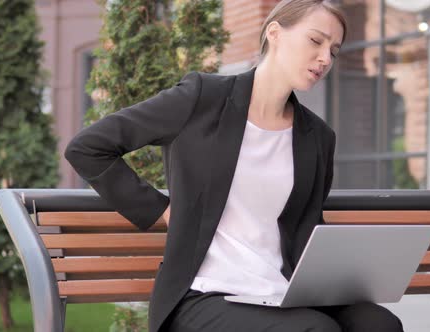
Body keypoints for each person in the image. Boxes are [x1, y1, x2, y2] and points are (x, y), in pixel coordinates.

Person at [65, 0, 404, 331]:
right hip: (205, 293)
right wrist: (162, 210)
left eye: (334, 50)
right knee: (313, 329)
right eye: (315, 40)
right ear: (275, 33)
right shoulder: (202, 98)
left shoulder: (318, 136)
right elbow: (89, 148)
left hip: (282, 290)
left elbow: (307, 225)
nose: (324, 58)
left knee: (381, 323)